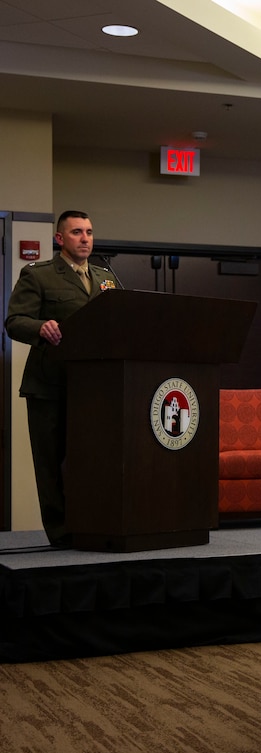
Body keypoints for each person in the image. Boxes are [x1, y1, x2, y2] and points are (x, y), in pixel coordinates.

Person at [4, 210, 119, 547]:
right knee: (51, 462)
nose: (85, 238)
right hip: (50, 386)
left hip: (95, 389)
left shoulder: (105, 277)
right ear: (59, 239)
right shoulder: (38, 275)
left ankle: (91, 525)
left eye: (89, 232)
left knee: (92, 459)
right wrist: (39, 327)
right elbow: (14, 321)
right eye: (76, 232)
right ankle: (60, 533)